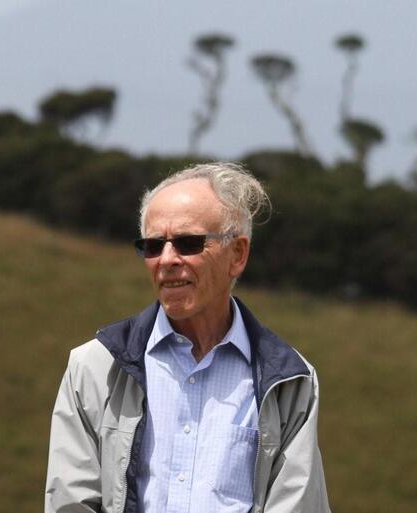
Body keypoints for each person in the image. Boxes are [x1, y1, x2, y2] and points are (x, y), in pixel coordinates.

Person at [45, 162, 331, 513]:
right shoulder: (93, 367)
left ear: (238, 255)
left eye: (187, 243)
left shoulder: (291, 381)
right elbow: (70, 504)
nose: (166, 259)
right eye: (153, 245)